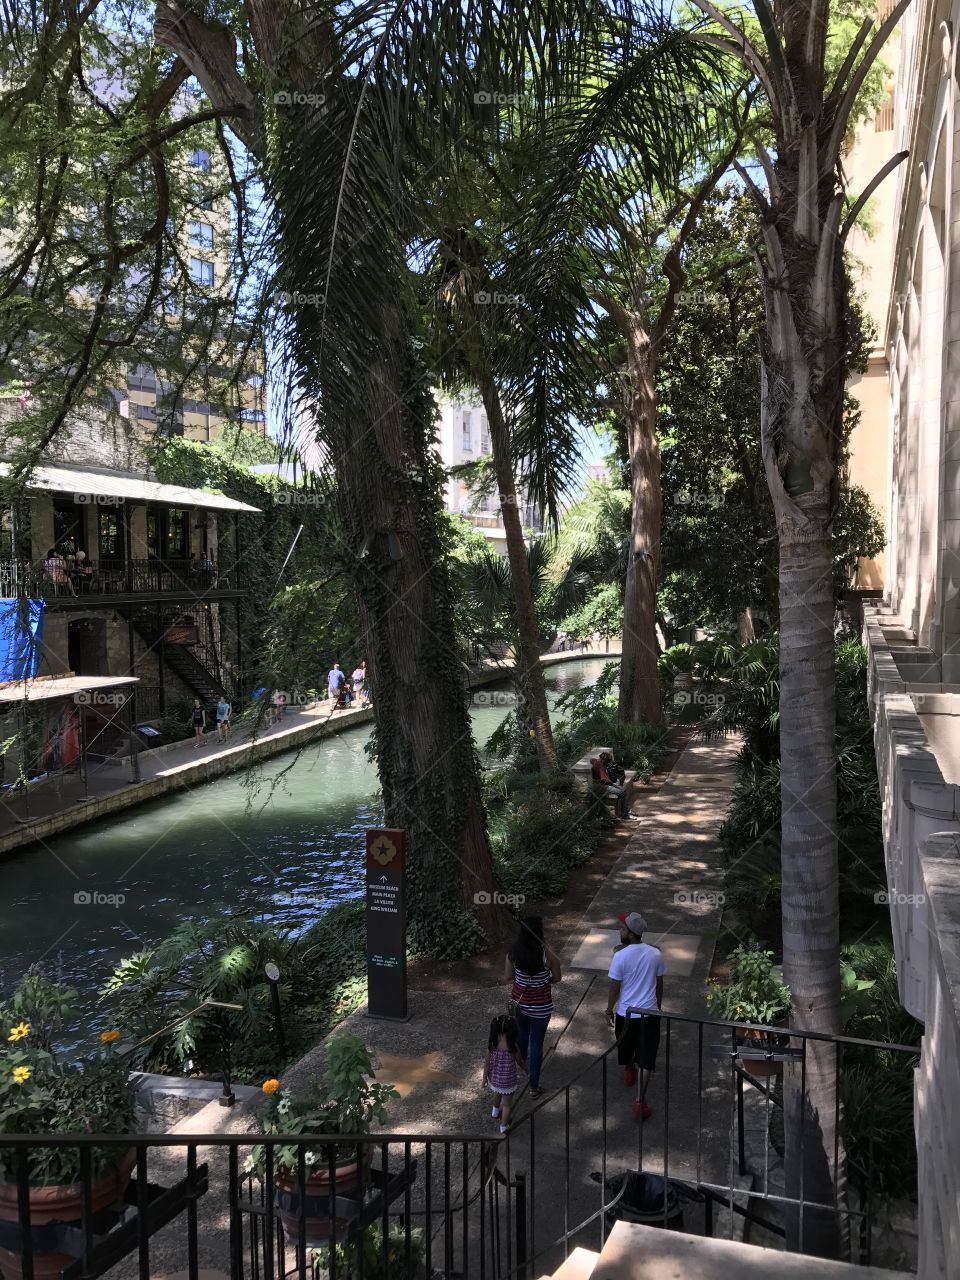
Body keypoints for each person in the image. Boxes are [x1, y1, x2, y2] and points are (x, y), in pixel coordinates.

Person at [605, 911, 665, 1122]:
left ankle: (629, 1069)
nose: (619, 930)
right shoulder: (655, 954)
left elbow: (614, 987)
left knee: (626, 1046)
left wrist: (608, 1009)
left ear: (630, 934)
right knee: (646, 1059)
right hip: (649, 1014)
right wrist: (658, 1006)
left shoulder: (620, 956)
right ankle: (640, 1100)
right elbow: (659, 985)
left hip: (626, 1014)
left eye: (622, 928)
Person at [504, 915, 561, 1099]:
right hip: (541, 1009)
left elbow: (507, 976)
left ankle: (517, 1070)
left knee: (521, 1038)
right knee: (536, 1045)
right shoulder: (548, 954)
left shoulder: (513, 953)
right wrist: (545, 980)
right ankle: (534, 1086)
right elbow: (557, 977)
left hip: (520, 1006)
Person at [482, 1014, 524, 1134]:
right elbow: (519, 1061)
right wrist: (527, 1069)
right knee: (506, 1105)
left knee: (497, 1093)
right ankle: (503, 1127)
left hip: (495, 1079)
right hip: (508, 1081)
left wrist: (484, 1079)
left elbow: (486, 1064)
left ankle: (494, 1112)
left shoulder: (492, 1045)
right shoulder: (512, 1047)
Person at [593, 750, 633, 820]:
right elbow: (604, 780)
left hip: (604, 784)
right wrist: (614, 785)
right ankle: (625, 815)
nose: (608, 763)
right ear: (604, 759)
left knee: (622, 788)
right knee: (622, 792)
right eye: (608, 761)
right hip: (602, 786)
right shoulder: (600, 766)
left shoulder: (598, 762)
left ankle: (626, 811)